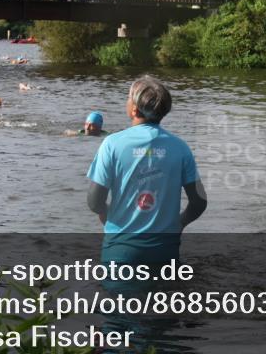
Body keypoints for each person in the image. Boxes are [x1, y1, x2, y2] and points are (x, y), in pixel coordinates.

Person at [86, 76, 207, 267]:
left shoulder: (111, 144)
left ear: (134, 109)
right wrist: (179, 224)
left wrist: (107, 215)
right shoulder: (181, 148)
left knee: (117, 297)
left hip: (120, 250)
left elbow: (94, 201)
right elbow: (199, 202)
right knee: (166, 296)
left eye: (128, 98)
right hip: (165, 251)